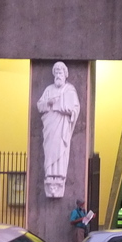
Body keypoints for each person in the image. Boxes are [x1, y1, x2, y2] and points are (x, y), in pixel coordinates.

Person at [37, 61, 81, 198]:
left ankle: (59, 177)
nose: (58, 75)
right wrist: (48, 103)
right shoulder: (49, 89)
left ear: (65, 74)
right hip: (50, 126)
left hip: (62, 127)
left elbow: (75, 108)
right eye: (56, 73)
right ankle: (49, 175)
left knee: (61, 150)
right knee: (49, 149)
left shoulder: (70, 90)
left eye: (60, 72)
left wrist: (65, 108)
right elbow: (39, 105)